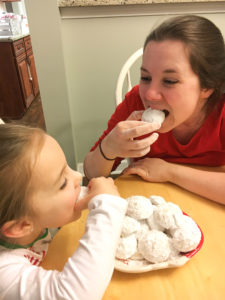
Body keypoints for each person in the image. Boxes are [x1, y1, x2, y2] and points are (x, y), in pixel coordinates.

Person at [84, 15, 225, 205]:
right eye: (145, 77)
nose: (149, 94)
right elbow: (92, 173)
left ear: (207, 87)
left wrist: (169, 172)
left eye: (169, 81)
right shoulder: (135, 102)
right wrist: (109, 148)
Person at [0, 124, 127, 300]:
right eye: (62, 183)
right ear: (21, 226)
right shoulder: (5, 274)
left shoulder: (29, 221)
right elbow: (75, 294)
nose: (77, 176)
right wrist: (109, 207)